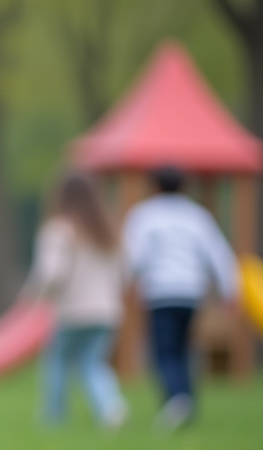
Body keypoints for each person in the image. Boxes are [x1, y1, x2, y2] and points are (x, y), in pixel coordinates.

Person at [123, 166, 240, 428]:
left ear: (154, 186)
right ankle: (186, 406)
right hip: (190, 292)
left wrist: (125, 283)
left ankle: (177, 400)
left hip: (160, 292)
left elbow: (134, 258)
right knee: (184, 350)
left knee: (165, 352)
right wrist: (230, 291)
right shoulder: (197, 216)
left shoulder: (144, 216)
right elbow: (219, 254)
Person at [25, 172, 126, 428]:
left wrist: (36, 294)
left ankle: (55, 415)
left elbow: (52, 273)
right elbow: (124, 272)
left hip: (73, 311)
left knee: (57, 361)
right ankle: (111, 406)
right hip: (107, 311)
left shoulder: (59, 230)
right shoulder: (108, 231)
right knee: (93, 363)